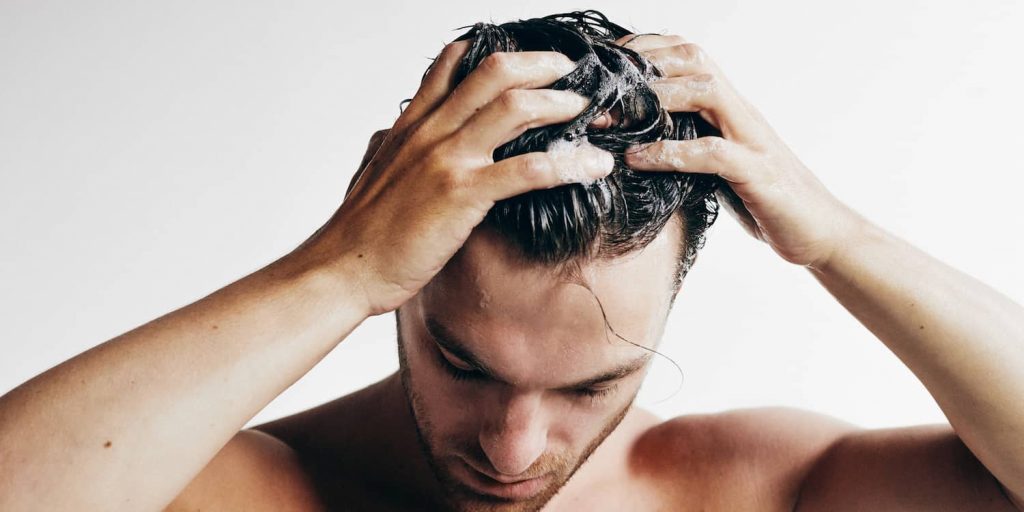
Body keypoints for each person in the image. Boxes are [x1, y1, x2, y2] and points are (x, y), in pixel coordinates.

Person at [1, 10, 1022, 512]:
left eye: (592, 382)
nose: (511, 445)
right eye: (465, 363)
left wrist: (840, 237)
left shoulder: (756, 488)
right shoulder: (247, 487)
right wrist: (335, 268)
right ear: (402, 290)